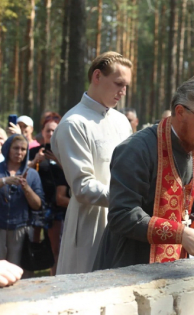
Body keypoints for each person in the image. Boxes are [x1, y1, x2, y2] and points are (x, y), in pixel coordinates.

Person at [93, 76, 194, 270]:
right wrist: (181, 234)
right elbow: (123, 215)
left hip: (175, 269)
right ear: (181, 112)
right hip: (129, 265)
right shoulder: (136, 149)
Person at [51, 51, 133, 274]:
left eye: (126, 86)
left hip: (126, 222)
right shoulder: (73, 123)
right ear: (97, 76)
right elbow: (83, 187)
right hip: (90, 224)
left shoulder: (122, 121)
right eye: (118, 83)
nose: (123, 92)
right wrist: (129, 199)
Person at [28, 113, 65, 276]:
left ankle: (54, 276)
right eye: (48, 131)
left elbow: (73, 174)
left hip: (56, 205)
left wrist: (59, 161)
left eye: (54, 131)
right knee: (33, 241)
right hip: (36, 203)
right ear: (42, 132)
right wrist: (35, 159)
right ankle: (30, 273)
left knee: (54, 245)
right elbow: (23, 173)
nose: (50, 134)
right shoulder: (34, 151)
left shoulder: (63, 152)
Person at [0, 135, 44, 267]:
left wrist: (26, 188)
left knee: (18, 271)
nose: (19, 152)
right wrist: (4, 181)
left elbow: (38, 205)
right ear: (8, 149)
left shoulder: (32, 174)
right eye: (15, 148)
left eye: (23, 149)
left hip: (21, 229)